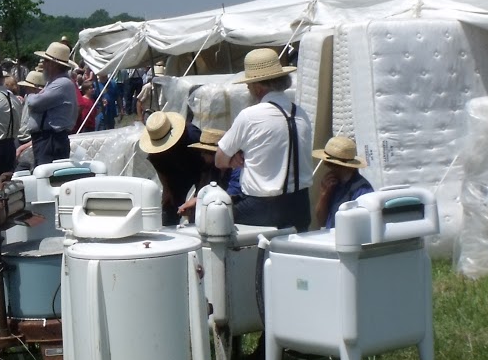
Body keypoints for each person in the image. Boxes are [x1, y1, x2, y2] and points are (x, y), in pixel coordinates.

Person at [215, 48, 313, 229]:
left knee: (211, 219)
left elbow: (220, 159)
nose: (247, 87)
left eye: (249, 84)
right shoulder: (301, 113)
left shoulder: (250, 115)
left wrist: (233, 158)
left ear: (258, 87)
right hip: (301, 206)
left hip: (264, 208)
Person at [20, 41, 79, 165]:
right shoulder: (54, 82)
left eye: (46, 61)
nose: (43, 64)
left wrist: (30, 95)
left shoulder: (61, 83)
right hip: (47, 139)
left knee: (47, 175)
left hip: (51, 139)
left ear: (54, 64)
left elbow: (35, 103)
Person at [137, 110, 202, 224]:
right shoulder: (155, 155)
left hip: (200, 167)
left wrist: (198, 198)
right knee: (169, 209)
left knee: (200, 210)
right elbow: (165, 180)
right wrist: (170, 198)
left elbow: (207, 165)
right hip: (175, 173)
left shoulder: (192, 135)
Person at [311, 136, 375, 229]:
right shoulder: (332, 185)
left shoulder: (362, 190)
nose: (328, 167)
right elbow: (321, 221)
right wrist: (324, 195)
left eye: (331, 165)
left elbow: (362, 226)